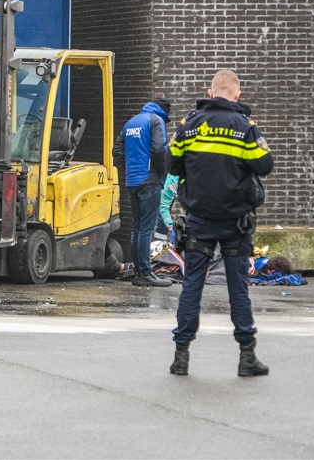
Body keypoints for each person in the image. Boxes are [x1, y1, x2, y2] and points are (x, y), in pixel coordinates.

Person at [167, 70, 273, 377]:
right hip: (235, 223)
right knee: (238, 289)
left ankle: (181, 356)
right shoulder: (245, 127)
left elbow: (170, 163)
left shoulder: (188, 125)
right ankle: (247, 357)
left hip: (199, 219)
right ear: (237, 95)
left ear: (210, 93)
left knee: (192, 286)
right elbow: (265, 165)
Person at [113, 98, 173, 287]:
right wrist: (163, 171)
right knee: (147, 228)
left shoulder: (131, 122)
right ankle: (145, 273)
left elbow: (117, 151)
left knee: (137, 227)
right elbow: (159, 149)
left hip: (132, 180)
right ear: (164, 111)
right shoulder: (156, 121)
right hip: (150, 180)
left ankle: (138, 272)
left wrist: (131, 168)